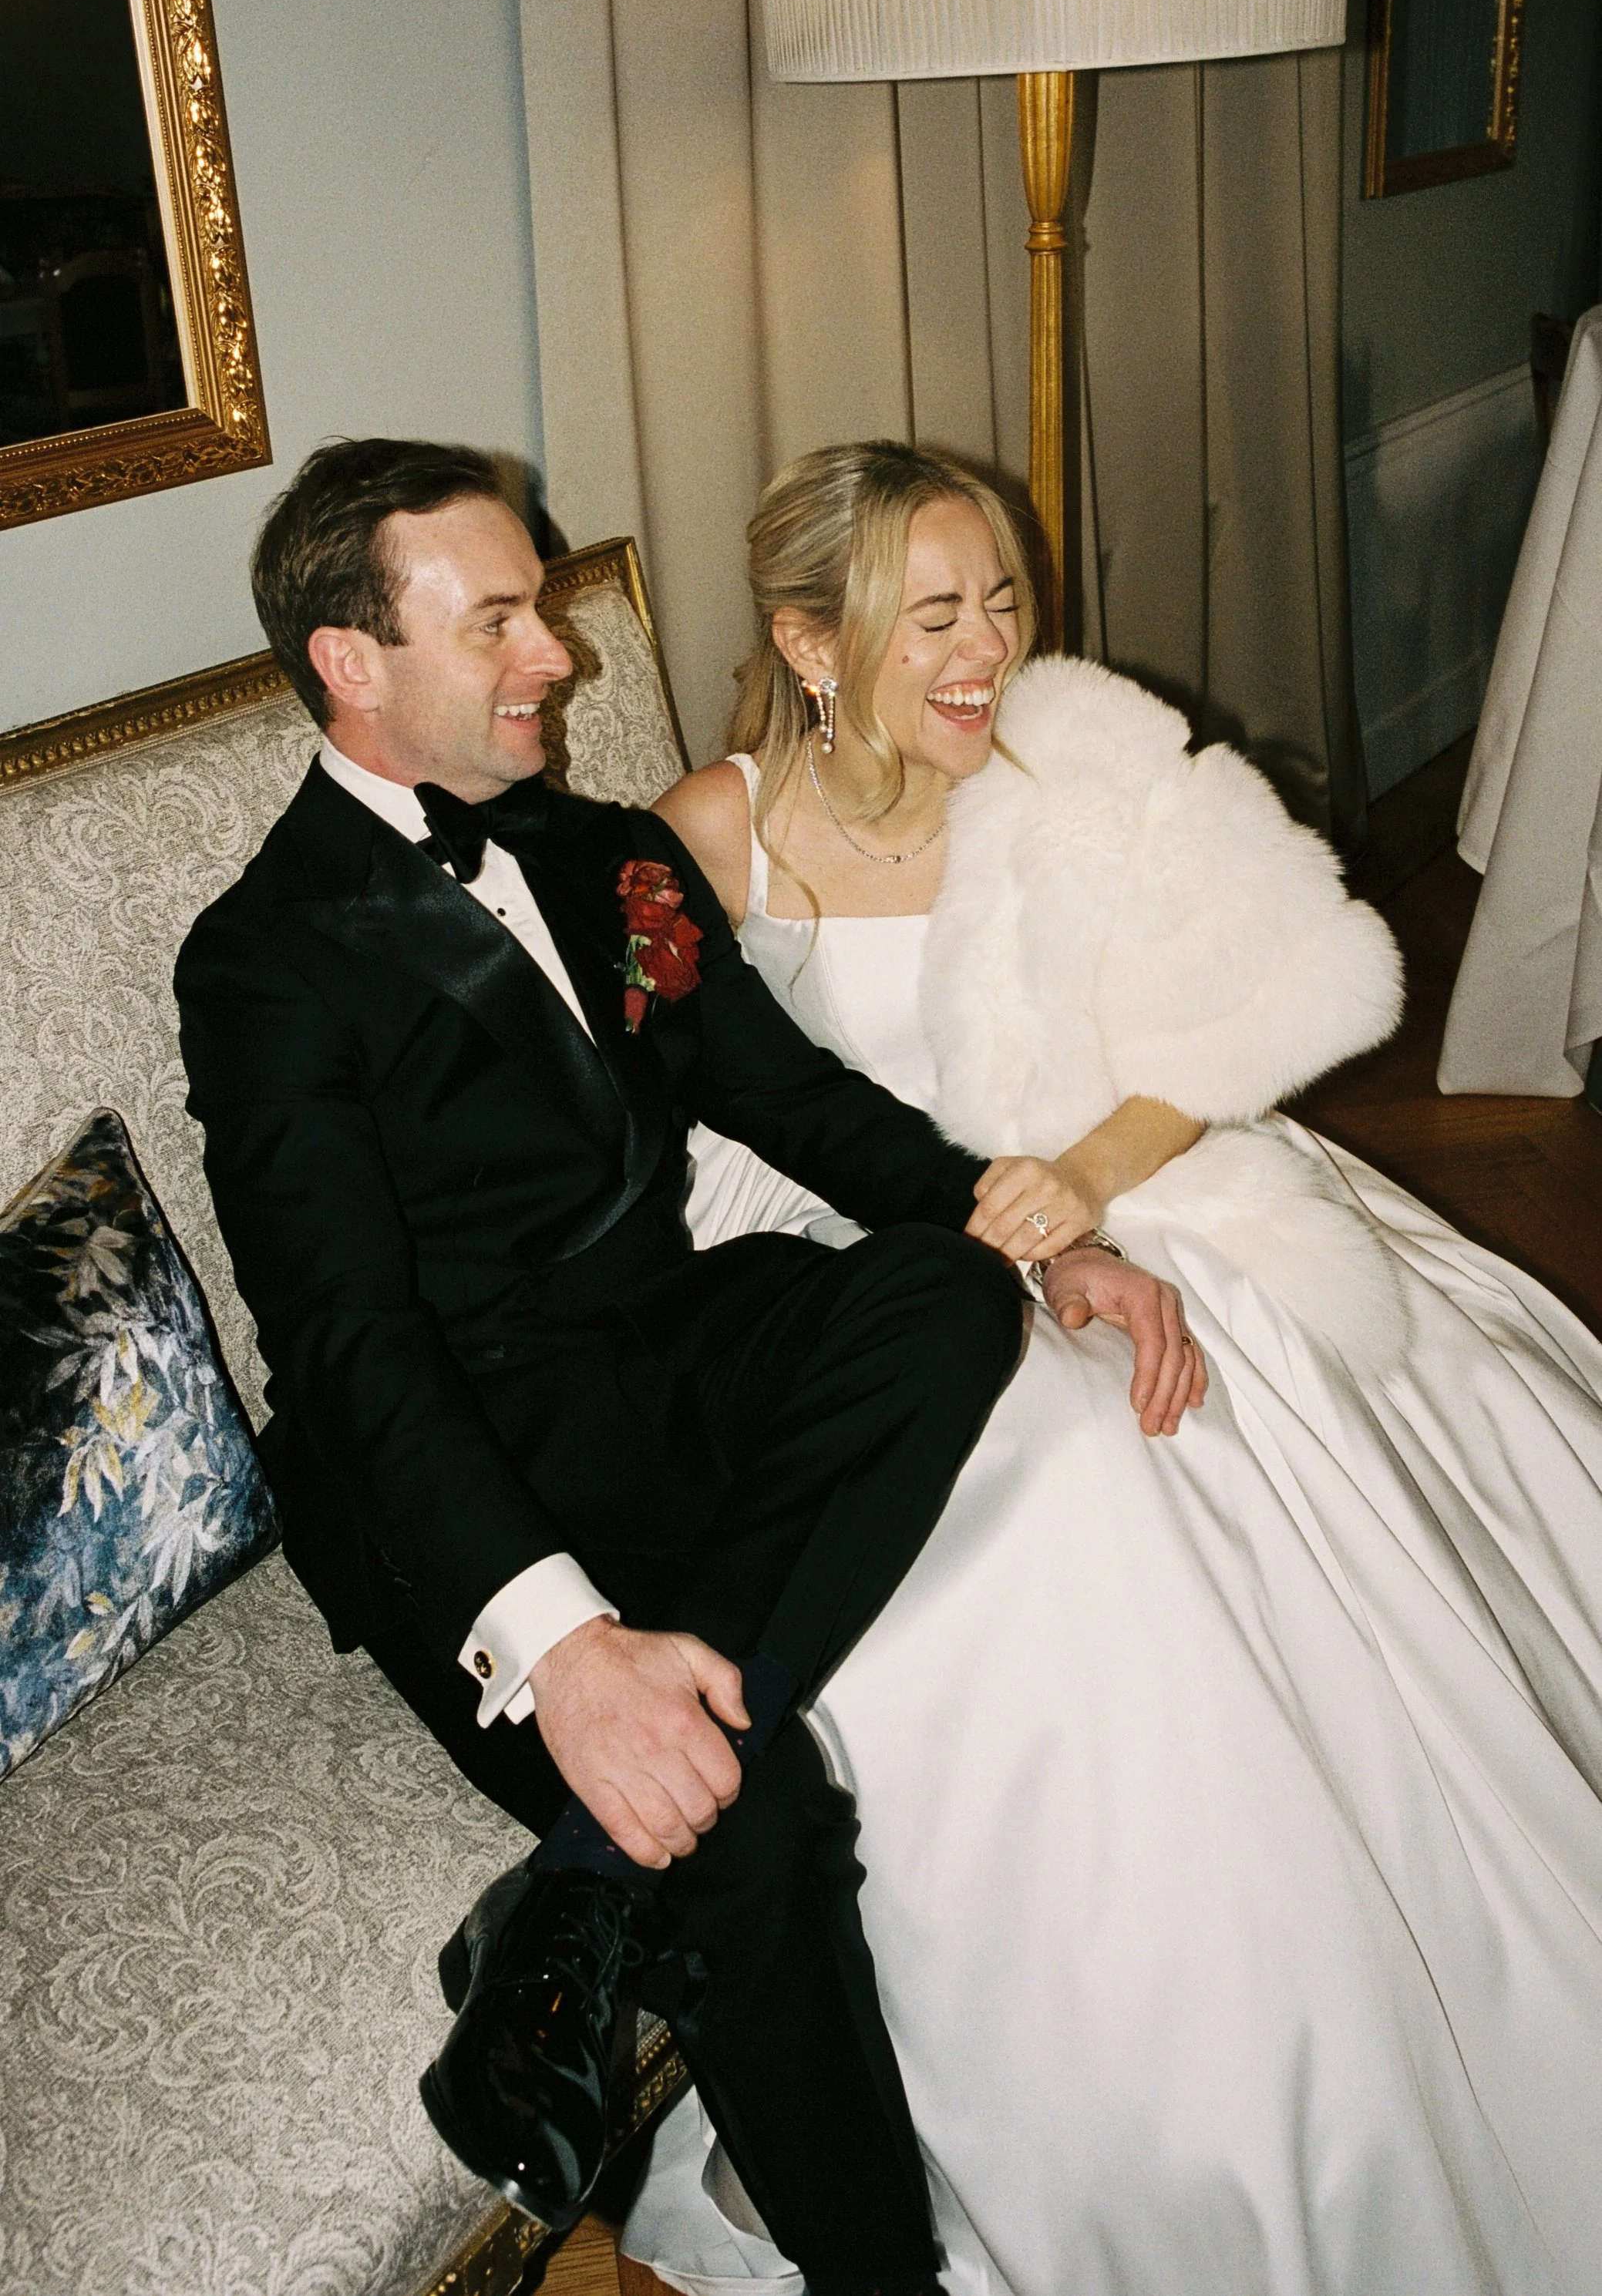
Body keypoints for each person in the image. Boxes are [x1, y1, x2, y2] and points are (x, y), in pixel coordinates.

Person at [173, 437, 1194, 2295]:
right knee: (750, 1811)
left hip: (669, 1335)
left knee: (941, 1293)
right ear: (350, 658)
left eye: (544, 607)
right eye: (496, 619)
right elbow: (347, 1342)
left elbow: (789, 1099)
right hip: (459, 1455)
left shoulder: (613, 851)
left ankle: (570, 1887)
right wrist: (564, 1647)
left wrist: (1054, 1233)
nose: (555, 653)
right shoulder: (263, 959)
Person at [641, 439, 1602, 2296]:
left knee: (1179, 1461)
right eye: (935, 611)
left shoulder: (1078, 752)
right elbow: (669, 1105)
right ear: (809, 640)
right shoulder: (709, 830)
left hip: (1129, 1180)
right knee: (1026, 1506)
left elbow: (1302, 984)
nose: (989, 643)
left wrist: (1082, 1176)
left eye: (1004, 594)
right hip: (855, 1254)